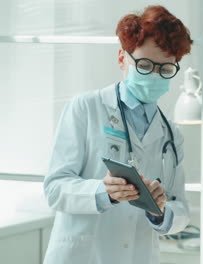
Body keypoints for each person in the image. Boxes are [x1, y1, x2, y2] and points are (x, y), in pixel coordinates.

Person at [43, 5, 193, 264]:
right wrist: (103, 191)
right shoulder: (86, 107)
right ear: (123, 59)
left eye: (165, 69)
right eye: (145, 65)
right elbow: (55, 189)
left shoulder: (170, 132)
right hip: (83, 256)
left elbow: (180, 209)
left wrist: (161, 212)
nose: (154, 75)